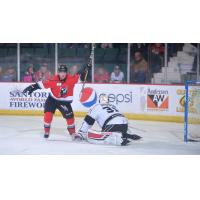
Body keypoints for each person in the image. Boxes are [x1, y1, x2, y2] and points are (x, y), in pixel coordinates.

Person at [23, 61, 91, 139]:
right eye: (61, 72)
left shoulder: (71, 79)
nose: (62, 74)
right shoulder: (53, 79)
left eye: (64, 72)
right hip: (52, 100)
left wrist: (86, 70)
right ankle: (46, 131)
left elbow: (81, 78)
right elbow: (42, 84)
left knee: (70, 118)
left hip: (64, 102)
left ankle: (72, 133)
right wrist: (32, 87)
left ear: (66, 72)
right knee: (48, 115)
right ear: (58, 72)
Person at [76, 93, 141, 146]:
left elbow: (88, 121)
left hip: (112, 124)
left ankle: (117, 139)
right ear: (108, 101)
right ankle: (126, 135)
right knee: (116, 130)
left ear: (99, 101)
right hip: (124, 124)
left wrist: (81, 133)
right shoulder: (113, 106)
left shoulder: (96, 106)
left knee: (99, 136)